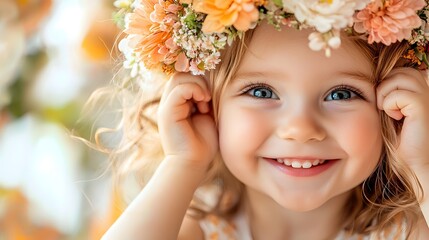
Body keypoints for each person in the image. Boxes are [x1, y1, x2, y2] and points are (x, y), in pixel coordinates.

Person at [98, 0, 429, 239]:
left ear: (393, 112)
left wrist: (424, 164)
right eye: (261, 92)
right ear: (207, 103)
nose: (300, 129)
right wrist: (182, 163)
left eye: (341, 94)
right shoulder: (196, 229)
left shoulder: (407, 231)